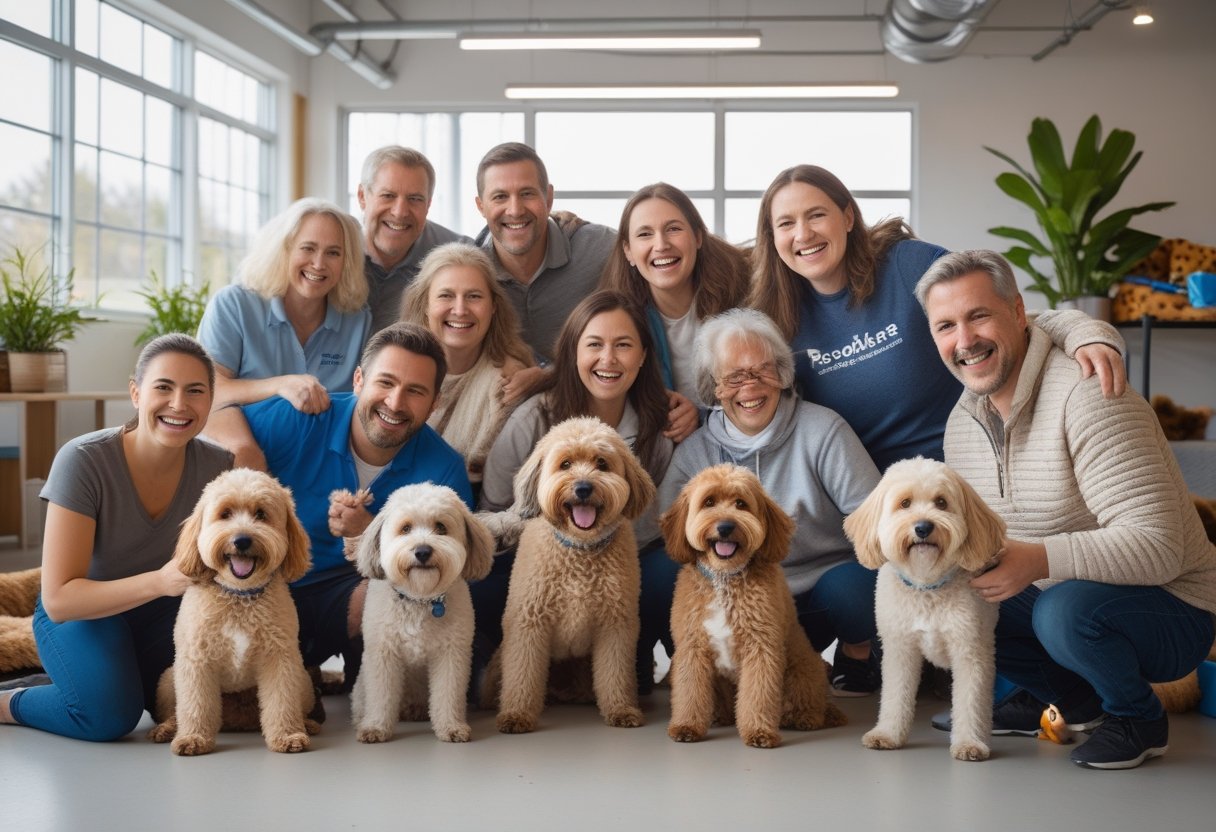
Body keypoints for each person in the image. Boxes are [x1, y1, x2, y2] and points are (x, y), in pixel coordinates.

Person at [916, 249, 1216, 770]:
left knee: (1063, 612)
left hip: (1175, 605)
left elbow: (1160, 547)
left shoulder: (1092, 394)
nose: (964, 341)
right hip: (1064, 593)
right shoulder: (962, 422)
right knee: (957, 591)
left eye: (979, 315)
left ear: (1017, 312)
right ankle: (1069, 702)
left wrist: (1036, 560)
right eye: (946, 325)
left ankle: (1138, 718)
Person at [749, 164, 1128, 473]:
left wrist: (1084, 332)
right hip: (871, 496)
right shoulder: (777, 319)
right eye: (786, 223)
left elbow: (1002, 315)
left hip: (968, 466)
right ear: (772, 235)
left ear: (847, 216)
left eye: (817, 215)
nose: (803, 234)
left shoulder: (907, 265)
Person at [0, 335, 233, 740]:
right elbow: (58, 600)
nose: (179, 404)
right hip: (81, 614)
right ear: (135, 393)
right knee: (110, 716)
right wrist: (161, 581)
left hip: (162, 614)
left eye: (195, 391)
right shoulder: (84, 460)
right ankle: (8, 703)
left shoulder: (219, 465)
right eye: (163, 387)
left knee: (197, 698)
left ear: (210, 401)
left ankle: (74, 685)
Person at [657, 308, 884, 695]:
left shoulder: (823, 429)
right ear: (714, 387)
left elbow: (875, 519)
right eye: (734, 377)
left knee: (857, 588)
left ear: (782, 375)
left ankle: (857, 654)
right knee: (657, 571)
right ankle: (696, 663)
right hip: (725, 596)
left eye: (763, 371)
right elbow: (668, 530)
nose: (750, 387)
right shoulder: (696, 450)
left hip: (810, 600)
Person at [242, 322, 473, 690]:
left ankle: (337, 666)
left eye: (415, 391)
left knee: (402, 587)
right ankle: (295, 669)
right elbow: (214, 412)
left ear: (434, 403)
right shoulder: (303, 417)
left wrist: (371, 534)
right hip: (268, 582)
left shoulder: (444, 469)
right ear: (359, 380)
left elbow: (451, 565)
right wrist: (245, 451)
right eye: (386, 382)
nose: (395, 403)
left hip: (353, 596)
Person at [478, 290, 677, 690]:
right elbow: (493, 509)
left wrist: (601, 540)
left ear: (642, 355)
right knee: (483, 583)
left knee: (668, 573)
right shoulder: (534, 418)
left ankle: (635, 664)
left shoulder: (662, 428)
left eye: (623, 345)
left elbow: (655, 520)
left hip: (623, 564)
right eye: (594, 345)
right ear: (572, 353)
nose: (608, 359)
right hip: (535, 559)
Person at [197, 197, 370, 470]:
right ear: (284, 250)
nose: (318, 263)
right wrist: (280, 385)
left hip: (321, 464)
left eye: (333, 253)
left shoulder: (358, 320)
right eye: (308, 248)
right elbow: (205, 391)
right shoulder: (234, 304)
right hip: (242, 458)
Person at [600, 182, 751, 441]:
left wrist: (703, 416)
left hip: (743, 439)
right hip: (665, 449)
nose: (661, 245)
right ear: (628, 251)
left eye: (673, 229)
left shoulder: (743, 298)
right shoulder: (619, 319)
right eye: (645, 234)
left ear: (698, 237)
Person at [399, 242, 534, 495]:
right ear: (425, 304)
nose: (460, 310)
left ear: (493, 306)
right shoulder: (392, 367)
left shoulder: (509, 383)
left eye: (474, 296)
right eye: (446, 295)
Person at [472, 142, 616, 380]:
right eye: (500, 197)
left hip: (588, 400)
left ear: (548, 198)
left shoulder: (601, 248)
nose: (515, 210)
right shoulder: (468, 272)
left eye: (527, 193)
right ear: (481, 206)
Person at [358, 146, 473, 333]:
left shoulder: (463, 257)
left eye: (414, 199)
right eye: (388, 196)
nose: (400, 212)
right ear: (362, 197)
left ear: (428, 204)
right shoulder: (333, 253)